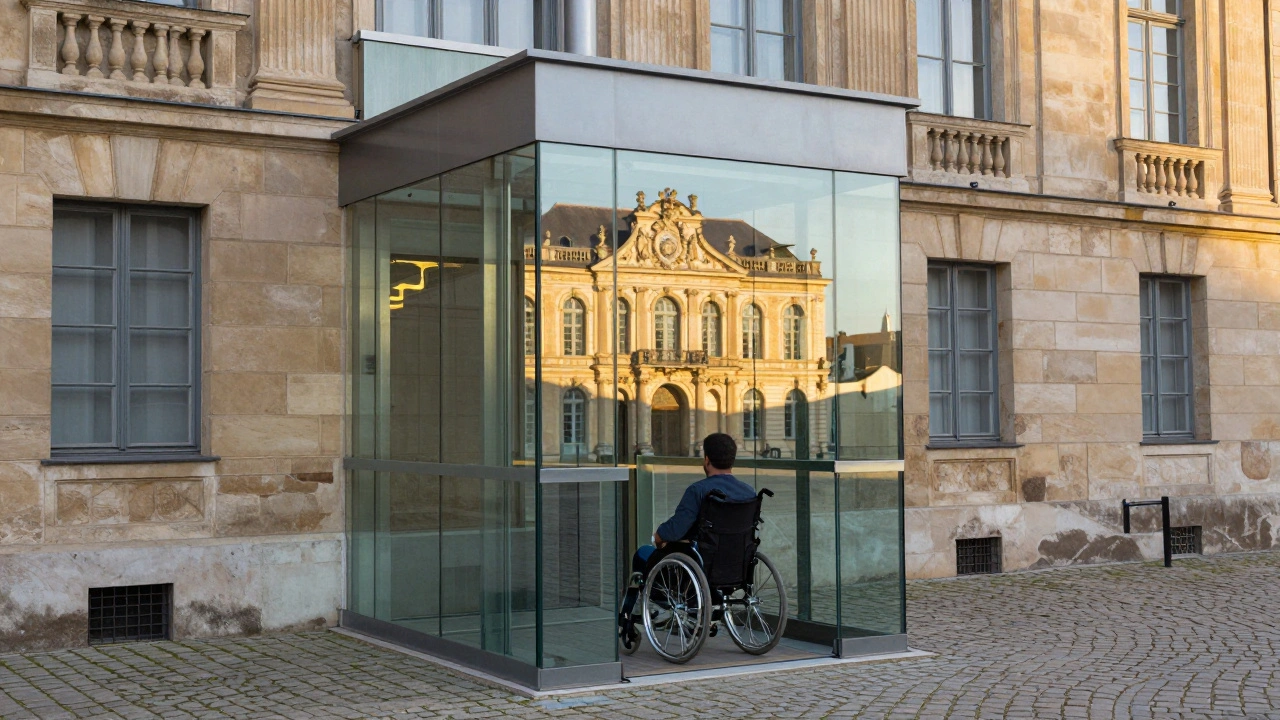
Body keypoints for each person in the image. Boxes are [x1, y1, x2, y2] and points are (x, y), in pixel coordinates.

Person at [619, 433, 756, 629]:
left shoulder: (699, 491)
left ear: (706, 460)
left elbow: (676, 529)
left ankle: (646, 609)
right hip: (736, 565)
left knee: (643, 554)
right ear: (732, 459)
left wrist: (658, 536)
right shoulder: (748, 492)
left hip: (699, 565)